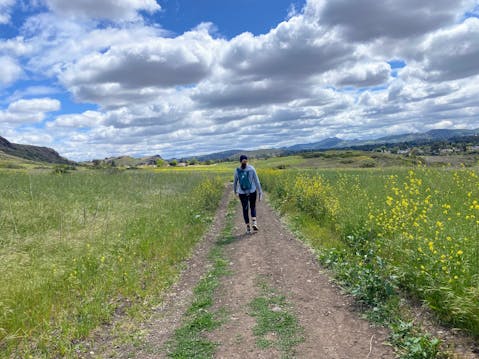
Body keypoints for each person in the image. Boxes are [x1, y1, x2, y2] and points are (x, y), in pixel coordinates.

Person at [233, 154, 263, 234]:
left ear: (240, 161)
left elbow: (235, 183)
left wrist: (235, 192)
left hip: (242, 193)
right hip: (252, 191)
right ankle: (254, 223)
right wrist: (260, 192)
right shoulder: (252, 169)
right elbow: (257, 181)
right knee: (252, 206)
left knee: (245, 209)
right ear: (247, 160)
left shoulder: (237, 170)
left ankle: (248, 228)